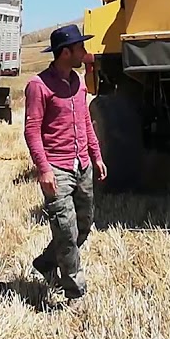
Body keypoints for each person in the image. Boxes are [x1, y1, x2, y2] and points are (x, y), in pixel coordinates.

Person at [24, 24, 107, 299]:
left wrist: (96, 156)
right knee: (66, 230)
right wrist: (44, 169)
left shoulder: (79, 83)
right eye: (80, 47)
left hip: (82, 165)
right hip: (57, 169)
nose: (85, 52)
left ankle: (46, 263)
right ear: (65, 53)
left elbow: (85, 122)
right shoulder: (38, 86)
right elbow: (32, 131)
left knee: (84, 224)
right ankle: (74, 291)